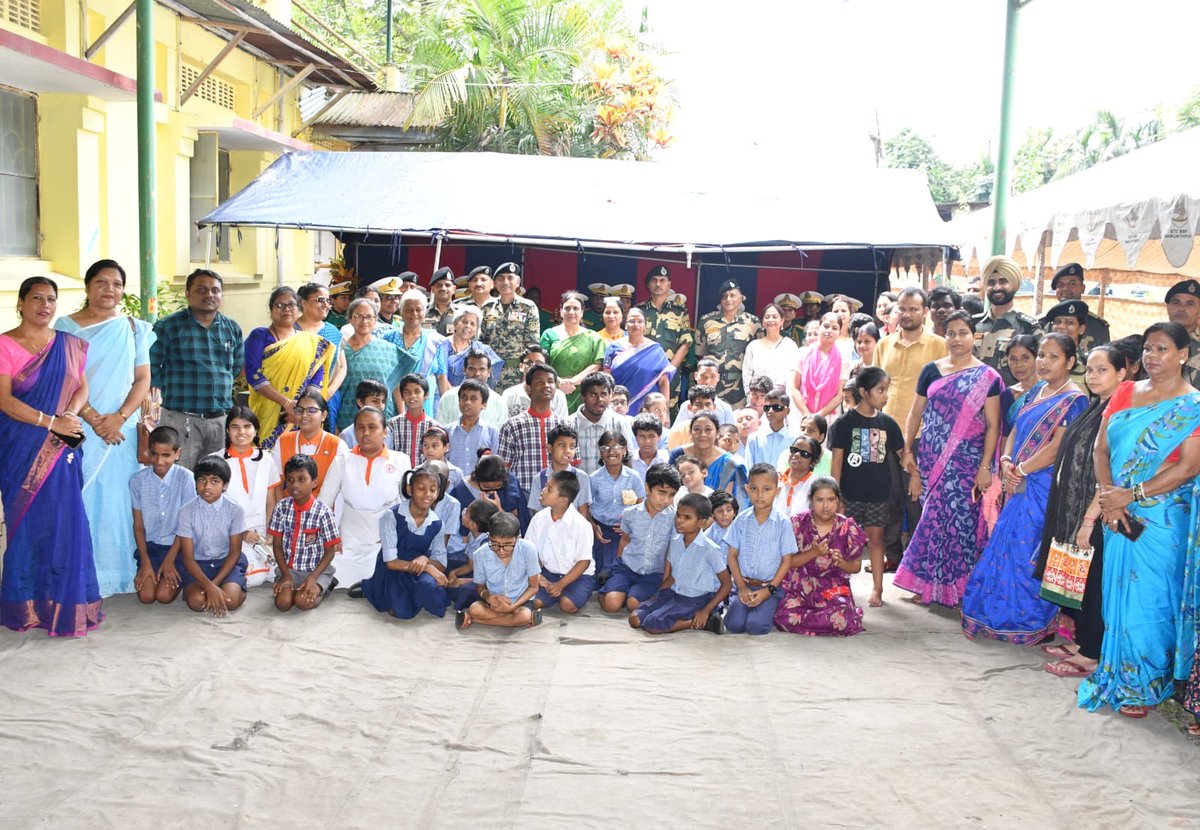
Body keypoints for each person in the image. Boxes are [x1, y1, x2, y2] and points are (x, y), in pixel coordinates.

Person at [1078, 323, 1200, 718]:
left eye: (1162, 349)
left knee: (1151, 598)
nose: (1152, 356)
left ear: (1183, 354)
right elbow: (1101, 449)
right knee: (1117, 596)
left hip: (1163, 516)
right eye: (1148, 348)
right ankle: (1116, 670)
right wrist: (1111, 498)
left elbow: (1188, 468)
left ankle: (1146, 682)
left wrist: (1132, 495)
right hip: (1118, 511)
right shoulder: (1127, 392)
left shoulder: (1193, 405)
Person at [961, 333, 1089, 644]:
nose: (1044, 362)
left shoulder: (1074, 399)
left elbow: (1058, 446)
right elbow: (1015, 429)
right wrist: (1005, 461)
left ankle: (1032, 621)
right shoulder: (1036, 391)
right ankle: (993, 615)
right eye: (1042, 355)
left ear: (1071, 362)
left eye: (1053, 357)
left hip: (1043, 486)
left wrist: (1020, 470)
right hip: (1016, 479)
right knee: (1004, 547)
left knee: (1028, 551)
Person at [0, 277, 98, 635]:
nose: (45, 305)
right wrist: (49, 423)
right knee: (26, 525)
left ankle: (64, 606)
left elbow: (81, 386)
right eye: (37, 298)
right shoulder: (5, 345)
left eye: (51, 299)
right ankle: (25, 607)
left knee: (65, 522)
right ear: (21, 303)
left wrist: (68, 416)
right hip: (20, 444)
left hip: (62, 444)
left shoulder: (68, 344)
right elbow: (4, 399)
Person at [55, 259, 155, 596]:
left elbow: (143, 379)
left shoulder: (133, 328)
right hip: (79, 424)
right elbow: (64, 378)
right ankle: (81, 573)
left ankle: (118, 574)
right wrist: (96, 418)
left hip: (121, 430)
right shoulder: (66, 327)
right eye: (101, 282)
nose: (109, 289)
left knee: (117, 498)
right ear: (87, 287)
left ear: (123, 290)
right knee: (80, 497)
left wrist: (120, 416)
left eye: (116, 283)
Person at [894, 311, 1003, 608]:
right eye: (951, 333)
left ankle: (959, 588)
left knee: (961, 525)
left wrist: (984, 467)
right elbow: (915, 414)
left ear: (974, 336)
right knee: (932, 520)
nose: (956, 339)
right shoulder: (931, 370)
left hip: (967, 462)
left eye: (963, 332)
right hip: (931, 458)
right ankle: (928, 585)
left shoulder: (987, 377)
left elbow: (993, 425)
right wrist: (908, 452)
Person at [1033, 345, 1129, 678]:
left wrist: (1089, 518)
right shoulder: (1097, 406)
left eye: (1102, 370)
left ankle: (1091, 653)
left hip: (1098, 512)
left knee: (1094, 583)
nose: (1093, 376)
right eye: (1090, 370)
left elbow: (1110, 472)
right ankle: (1082, 642)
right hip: (1073, 508)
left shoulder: (1120, 413)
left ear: (1123, 373)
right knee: (1081, 580)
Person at [150, 268, 244, 469]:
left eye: (215, 290)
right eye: (202, 290)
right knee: (180, 479)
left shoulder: (231, 328)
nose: (209, 295)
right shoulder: (168, 327)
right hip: (182, 419)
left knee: (216, 479)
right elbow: (151, 367)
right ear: (188, 293)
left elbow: (235, 368)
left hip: (220, 420)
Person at [830, 367, 906, 608]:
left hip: (878, 494)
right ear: (863, 392)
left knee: (876, 539)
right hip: (850, 494)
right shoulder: (844, 423)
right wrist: (836, 494)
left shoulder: (888, 424)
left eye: (887, 390)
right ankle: (839, 586)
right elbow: (838, 462)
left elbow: (903, 455)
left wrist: (914, 473)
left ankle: (878, 588)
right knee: (842, 542)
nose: (886, 395)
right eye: (880, 390)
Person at [320, 406, 412, 587]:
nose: (366, 433)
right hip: (347, 541)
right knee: (330, 565)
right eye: (360, 428)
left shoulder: (401, 460)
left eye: (372, 427)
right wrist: (332, 538)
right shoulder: (342, 460)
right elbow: (323, 505)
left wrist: (392, 537)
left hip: (385, 539)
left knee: (391, 566)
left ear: (385, 432)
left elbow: (407, 506)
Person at [244, 286, 334, 450]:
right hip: (267, 409)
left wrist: (302, 408)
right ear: (271, 310)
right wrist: (285, 402)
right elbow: (253, 374)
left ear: (299, 309)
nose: (286, 309)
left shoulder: (311, 343)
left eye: (291, 305)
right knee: (266, 460)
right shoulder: (260, 335)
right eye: (279, 305)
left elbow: (317, 374)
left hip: (300, 415)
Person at [774, 476, 866, 636]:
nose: (825, 506)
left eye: (831, 499)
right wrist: (813, 553)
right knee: (782, 617)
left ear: (838, 501)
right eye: (820, 500)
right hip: (801, 587)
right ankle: (824, 622)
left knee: (842, 616)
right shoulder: (797, 523)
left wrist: (842, 563)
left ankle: (816, 621)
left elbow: (856, 566)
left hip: (834, 588)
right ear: (811, 501)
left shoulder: (848, 527)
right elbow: (788, 562)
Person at [355, 467, 449, 619]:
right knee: (401, 612)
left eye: (433, 490)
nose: (427, 495)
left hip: (419, 569)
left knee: (432, 590)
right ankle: (371, 587)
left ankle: (413, 594)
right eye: (421, 489)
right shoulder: (391, 516)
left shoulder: (437, 523)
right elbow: (391, 562)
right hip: (394, 568)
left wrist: (426, 561)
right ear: (409, 489)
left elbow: (442, 563)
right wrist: (428, 569)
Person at [630, 493, 730, 635]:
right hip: (673, 592)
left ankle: (701, 621)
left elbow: (727, 584)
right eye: (678, 515)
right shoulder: (676, 540)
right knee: (634, 619)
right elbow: (673, 575)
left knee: (651, 625)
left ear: (702, 522)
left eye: (687, 518)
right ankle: (690, 618)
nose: (679, 521)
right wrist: (657, 595)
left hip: (695, 599)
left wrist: (705, 610)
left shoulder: (710, 549)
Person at [723, 463, 797, 634]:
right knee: (734, 625)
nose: (759, 495)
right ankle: (739, 602)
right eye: (754, 489)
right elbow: (732, 555)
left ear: (777, 492)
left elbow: (787, 560)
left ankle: (771, 607)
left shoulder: (783, 523)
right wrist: (741, 586)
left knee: (756, 627)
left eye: (767, 489)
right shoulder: (741, 520)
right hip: (744, 584)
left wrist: (768, 590)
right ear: (747, 489)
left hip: (770, 588)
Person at [600, 463, 680, 612]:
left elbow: (671, 553)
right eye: (661, 492)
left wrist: (664, 583)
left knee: (634, 605)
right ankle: (612, 589)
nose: (666, 500)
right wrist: (616, 567)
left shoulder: (674, 519)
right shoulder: (630, 513)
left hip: (653, 574)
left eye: (672, 495)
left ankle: (629, 594)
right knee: (611, 605)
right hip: (627, 568)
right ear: (647, 488)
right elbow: (625, 539)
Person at [177, 456, 249, 617]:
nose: (207, 486)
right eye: (202, 480)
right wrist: (208, 586)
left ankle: (239, 586)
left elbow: (235, 552)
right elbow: (188, 557)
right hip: (197, 564)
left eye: (215, 481)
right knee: (197, 602)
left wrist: (213, 585)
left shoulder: (235, 510)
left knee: (230, 601)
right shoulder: (186, 511)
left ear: (225, 486)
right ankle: (196, 589)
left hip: (226, 562)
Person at [130, 425, 194, 605]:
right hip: (151, 549)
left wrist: (170, 559)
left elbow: (186, 525)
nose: (159, 461)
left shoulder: (186, 478)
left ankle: (181, 573)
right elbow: (138, 526)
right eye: (154, 454)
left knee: (164, 596)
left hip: (178, 547)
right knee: (146, 597)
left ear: (177, 453)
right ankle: (155, 570)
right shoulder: (137, 481)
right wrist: (145, 561)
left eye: (166, 455)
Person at [269, 454, 341, 612]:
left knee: (303, 602)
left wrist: (313, 578)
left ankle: (325, 586)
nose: (295, 485)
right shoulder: (281, 508)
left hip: (317, 569)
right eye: (290, 479)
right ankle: (293, 586)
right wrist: (285, 575)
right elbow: (277, 546)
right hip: (289, 569)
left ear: (314, 482)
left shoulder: (323, 512)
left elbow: (330, 552)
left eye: (302, 479)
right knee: (283, 603)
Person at [336, 298, 418, 432]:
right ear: (350, 319)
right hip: (347, 419)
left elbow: (396, 386)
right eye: (358, 316)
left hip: (383, 420)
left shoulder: (389, 350)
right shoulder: (340, 351)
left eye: (368, 316)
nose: (364, 321)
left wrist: (402, 416)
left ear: (375, 320)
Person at [220, 406, 280, 587]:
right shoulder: (216, 461)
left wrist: (271, 532)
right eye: (235, 427)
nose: (241, 432)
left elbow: (271, 502)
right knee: (255, 577)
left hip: (262, 532)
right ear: (227, 431)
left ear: (255, 430)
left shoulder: (266, 459)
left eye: (247, 426)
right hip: (231, 533)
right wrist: (243, 533)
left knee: (279, 569)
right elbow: (214, 509)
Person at [455, 512, 542, 631]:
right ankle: (516, 620)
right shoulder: (481, 554)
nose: (501, 551)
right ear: (489, 537)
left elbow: (533, 587)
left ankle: (474, 620)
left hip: (520, 602)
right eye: (495, 544)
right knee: (474, 609)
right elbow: (480, 587)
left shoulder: (528, 549)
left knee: (523, 615)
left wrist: (512, 607)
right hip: (494, 603)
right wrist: (489, 597)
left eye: (508, 545)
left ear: (518, 538)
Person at [527, 470, 596, 614]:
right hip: (549, 572)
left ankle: (566, 592)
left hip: (578, 576)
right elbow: (529, 552)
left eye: (549, 489)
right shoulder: (538, 519)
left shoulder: (581, 524)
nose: (543, 490)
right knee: (537, 602)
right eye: (546, 486)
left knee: (567, 605)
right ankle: (555, 592)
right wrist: (539, 576)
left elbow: (584, 562)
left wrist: (560, 585)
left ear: (563, 500)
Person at [498, 361, 568, 497]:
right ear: (528, 388)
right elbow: (504, 468)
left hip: (558, 496)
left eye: (550, 381)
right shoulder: (512, 425)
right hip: (523, 495)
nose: (546, 385)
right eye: (539, 381)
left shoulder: (565, 425)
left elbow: (573, 465)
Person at [972, 256, 1044, 387]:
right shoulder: (973, 324)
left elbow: (1041, 370)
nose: (997, 287)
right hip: (974, 404)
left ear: (1014, 285)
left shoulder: (1028, 327)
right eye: (991, 282)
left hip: (1012, 403)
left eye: (1003, 281)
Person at [695, 279, 761, 409]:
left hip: (740, 386)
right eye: (724, 296)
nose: (728, 299)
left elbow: (759, 353)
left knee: (738, 424)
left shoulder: (753, 323)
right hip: (711, 383)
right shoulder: (706, 321)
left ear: (741, 298)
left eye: (732, 295)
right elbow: (700, 354)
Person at [271, 388, 347, 499]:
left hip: (324, 512)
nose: (304, 415)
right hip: (289, 511)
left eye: (311, 410)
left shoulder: (337, 445)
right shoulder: (283, 441)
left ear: (323, 415)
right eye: (299, 410)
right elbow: (276, 483)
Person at [588, 430, 645, 579]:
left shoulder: (633, 477)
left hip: (625, 530)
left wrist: (630, 526)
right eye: (605, 448)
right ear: (600, 453)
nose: (611, 452)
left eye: (616, 447)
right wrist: (594, 526)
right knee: (601, 569)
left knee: (621, 567)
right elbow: (586, 505)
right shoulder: (594, 478)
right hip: (602, 530)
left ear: (625, 451)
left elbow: (641, 503)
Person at [637, 266, 694, 412]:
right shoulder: (639, 311)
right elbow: (632, 341)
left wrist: (670, 369)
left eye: (662, 280)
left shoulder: (680, 311)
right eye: (654, 280)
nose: (658, 284)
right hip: (644, 373)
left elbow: (686, 343)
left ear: (669, 284)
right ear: (648, 284)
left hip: (670, 373)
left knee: (666, 412)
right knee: (642, 410)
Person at [602, 307, 675, 416]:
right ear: (625, 325)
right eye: (631, 321)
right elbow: (606, 379)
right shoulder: (614, 347)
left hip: (647, 409)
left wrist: (665, 411)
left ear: (645, 325)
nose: (636, 324)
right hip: (618, 407)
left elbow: (663, 382)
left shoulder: (655, 350)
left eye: (640, 321)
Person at [540, 291, 605, 412]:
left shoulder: (593, 337)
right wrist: (559, 382)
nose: (571, 312)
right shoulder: (549, 335)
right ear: (561, 311)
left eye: (575, 308)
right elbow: (543, 364)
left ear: (582, 312)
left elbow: (597, 364)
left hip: (584, 393)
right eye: (567, 308)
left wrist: (572, 382)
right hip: (554, 391)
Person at [294, 282, 348, 428]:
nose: (326, 305)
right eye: (320, 300)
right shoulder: (290, 330)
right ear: (303, 303)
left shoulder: (333, 332)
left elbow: (342, 367)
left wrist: (328, 392)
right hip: (293, 399)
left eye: (328, 300)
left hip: (327, 398)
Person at [387, 288, 448, 417]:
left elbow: (441, 377)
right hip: (395, 402)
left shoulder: (434, 339)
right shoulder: (389, 338)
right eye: (409, 310)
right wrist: (402, 413)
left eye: (418, 309)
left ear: (424, 312)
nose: (414, 313)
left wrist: (447, 407)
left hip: (425, 402)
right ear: (401, 312)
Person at [481, 262, 541, 388]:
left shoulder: (528, 307)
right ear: (495, 283)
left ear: (518, 282)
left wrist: (527, 375)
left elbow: (532, 344)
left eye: (510, 277)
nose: (505, 282)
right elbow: (483, 341)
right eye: (501, 278)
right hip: (491, 372)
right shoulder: (487, 307)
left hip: (517, 373)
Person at [572, 372, 634, 474]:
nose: (599, 399)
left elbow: (627, 458)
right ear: (583, 396)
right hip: (578, 488)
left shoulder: (619, 423)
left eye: (603, 394)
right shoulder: (569, 424)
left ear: (610, 396)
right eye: (593, 394)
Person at [1039, 263, 1110, 351]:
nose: (1065, 288)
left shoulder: (1098, 326)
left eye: (1072, 284)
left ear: (1083, 288)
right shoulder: (1041, 323)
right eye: (1060, 285)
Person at [527, 423, 592, 517]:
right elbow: (537, 514)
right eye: (562, 445)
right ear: (549, 448)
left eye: (572, 446)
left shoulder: (581, 477)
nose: (567, 451)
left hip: (574, 529)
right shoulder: (539, 478)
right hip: (547, 530)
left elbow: (583, 512)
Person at [789, 313, 846, 420]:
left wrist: (818, 416)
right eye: (826, 326)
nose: (829, 331)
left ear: (840, 332)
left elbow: (839, 396)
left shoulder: (843, 359)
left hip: (828, 417)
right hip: (802, 415)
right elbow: (794, 388)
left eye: (834, 328)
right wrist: (807, 414)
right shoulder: (801, 354)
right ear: (819, 328)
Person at [435, 347, 507, 428]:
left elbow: (501, 436)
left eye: (482, 369)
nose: (477, 373)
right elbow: (441, 432)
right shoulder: (448, 397)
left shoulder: (499, 402)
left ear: (489, 372)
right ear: (464, 370)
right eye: (472, 369)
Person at [742, 303, 800, 400]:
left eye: (774, 317)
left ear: (782, 321)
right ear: (762, 322)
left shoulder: (790, 345)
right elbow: (746, 373)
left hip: (781, 399)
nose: (771, 320)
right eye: (767, 317)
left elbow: (794, 375)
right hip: (756, 399)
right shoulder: (753, 346)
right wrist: (751, 395)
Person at [445, 379, 500, 479]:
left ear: (484, 404)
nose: (467, 402)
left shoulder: (491, 431)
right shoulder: (447, 431)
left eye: (473, 398)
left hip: (481, 489)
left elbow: (495, 464)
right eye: (464, 397)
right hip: (453, 488)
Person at [439, 305, 502, 389]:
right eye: (464, 322)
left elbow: (491, 375)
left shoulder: (481, 349)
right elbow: (440, 378)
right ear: (455, 324)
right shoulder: (441, 346)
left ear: (476, 330)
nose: (468, 326)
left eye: (472, 324)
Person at [502, 344, 571, 419]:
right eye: (529, 363)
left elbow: (563, 427)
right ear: (521, 367)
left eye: (539, 363)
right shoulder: (509, 395)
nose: (533, 366)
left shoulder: (557, 396)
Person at [386, 373, 434, 466]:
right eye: (407, 392)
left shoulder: (433, 426)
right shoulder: (393, 424)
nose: (412, 396)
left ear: (426, 394)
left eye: (417, 391)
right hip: (399, 475)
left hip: (424, 476)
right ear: (402, 396)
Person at [1045, 300, 1092, 388]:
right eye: (1057, 322)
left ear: (1081, 329)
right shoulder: (1040, 360)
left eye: (1069, 322)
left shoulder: (1088, 362)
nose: (1061, 327)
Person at [1164, 279, 1200, 390]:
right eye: (1176, 302)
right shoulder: (1151, 343)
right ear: (1167, 307)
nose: (1181, 308)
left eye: (1190, 304)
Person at [746, 388, 793, 467]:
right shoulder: (754, 438)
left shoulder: (794, 440)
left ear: (787, 411)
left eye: (776, 407)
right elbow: (749, 468)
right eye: (767, 408)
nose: (770, 411)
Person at [776, 435, 820, 519]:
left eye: (804, 454)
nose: (796, 455)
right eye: (794, 450)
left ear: (814, 462)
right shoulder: (775, 480)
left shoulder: (817, 486)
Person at [337, 379, 387, 448]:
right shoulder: (347, 435)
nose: (381, 406)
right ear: (360, 402)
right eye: (375, 401)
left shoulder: (388, 432)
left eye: (383, 402)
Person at [631, 413, 669, 479]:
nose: (647, 441)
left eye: (652, 436)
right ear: (636, 438)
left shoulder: (667, 459)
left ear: (659, 437)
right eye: (642, 436)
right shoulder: (628, 461)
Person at [424, 267, 459, 336]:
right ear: (432, 289)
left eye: (447, 285)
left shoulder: (461, 313)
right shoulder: (423, 311)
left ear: (454, 289)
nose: (443, 288)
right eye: (439, 285)